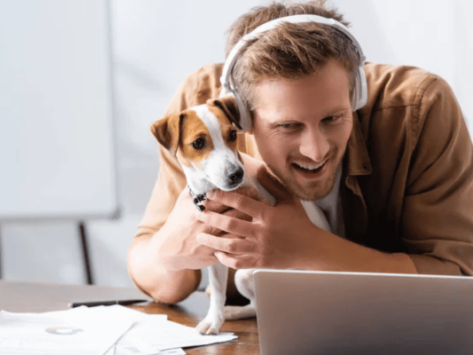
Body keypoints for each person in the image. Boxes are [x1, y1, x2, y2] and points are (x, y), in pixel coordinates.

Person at [127, 0, 473, 304]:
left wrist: (307, 249)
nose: (316, 150)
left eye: (333, 118)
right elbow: (155, 275)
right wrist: (168, 254)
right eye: (287, 126)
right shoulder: (204, 116)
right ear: (244, 117)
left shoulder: (420, 108)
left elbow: (459, 280)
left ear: (356, 96)